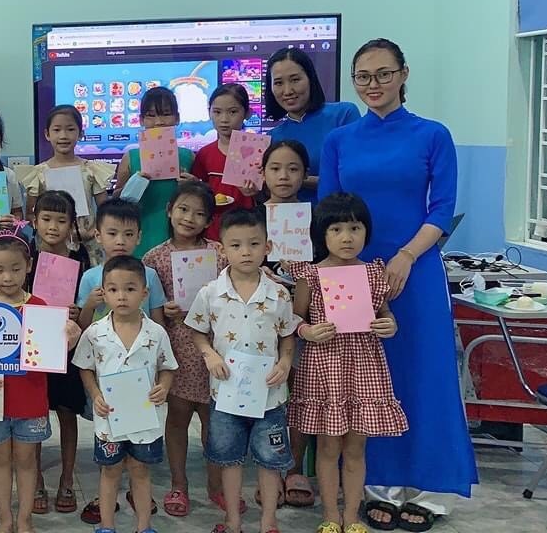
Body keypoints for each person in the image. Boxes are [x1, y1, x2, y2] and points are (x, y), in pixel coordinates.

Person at [319, 38, 473, 531]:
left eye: (383, 74)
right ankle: (377, 485)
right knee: (362, 377)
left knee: (425, 374)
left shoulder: (433, 135)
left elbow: (442, 209)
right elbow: (328, 211)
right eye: (363, 76)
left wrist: (406, 256)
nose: (374, 84)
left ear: (403, 74)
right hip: (351, 273)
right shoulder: (339, 140)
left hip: (418, 270)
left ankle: (431, 489)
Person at [289, 194, 408, 533]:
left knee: (356, 447)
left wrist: (390, 324)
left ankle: (352, 517)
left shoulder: (373, 273)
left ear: (366, 232)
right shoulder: (310, 275)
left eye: (355, 228)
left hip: (365, 367)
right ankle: (330, 516)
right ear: (321, 234)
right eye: (336, 229)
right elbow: (293, 319)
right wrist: (308, 331)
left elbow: (385, 313)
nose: (346, 237)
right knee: (328, 445)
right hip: (323, 367)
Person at [186, 208, 298, 533]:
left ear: (268, 247)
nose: (245, 252)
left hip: (270, 394)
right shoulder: (210, 292)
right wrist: (209, 354)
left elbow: (287, 335)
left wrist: (285, 362)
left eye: (254, 244)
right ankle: (232, 520)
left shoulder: (278, 293)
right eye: (236, 245)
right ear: (222, 249)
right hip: (226, 392)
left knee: (270, 460)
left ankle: (268, 522)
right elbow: (197, 331)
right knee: (229, 458)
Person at [0, 223, 82, 533]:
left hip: (30, 400)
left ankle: (24, 520)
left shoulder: (39, 307)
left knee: (27, 460)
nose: (7, 277)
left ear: (29, 266)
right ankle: (5, 519)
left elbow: (51, 354)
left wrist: (70, 338)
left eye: (15, 269)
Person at [141, 180, 231, 518]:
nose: (189, 218)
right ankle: (179, 484)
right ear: (169, 211)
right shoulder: (153, 258)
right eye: (183, 209)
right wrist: (164, 309)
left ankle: (216, 485)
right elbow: (147, 308)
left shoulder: (221, 254)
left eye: (199, 214)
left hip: (215, 348)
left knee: (214, 421)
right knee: (177, 418)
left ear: (209, 220)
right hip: (177, 346)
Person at [74, 255, 179, 533]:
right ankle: (107, 526)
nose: (121, 296)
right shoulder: (95, 333)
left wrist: (164, 386)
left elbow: (168, 367)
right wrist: (95, 393)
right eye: (113, 289)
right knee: (109, 472)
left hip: (144, 419)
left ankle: (144, 527)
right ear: (104, 292)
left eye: (130, 289)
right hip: (109, 419)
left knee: (140, 471)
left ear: (144, 293)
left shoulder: (156, 333)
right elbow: (85, 367)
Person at [24, 190, 92, 516]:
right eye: (46, 219)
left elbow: (87, 304)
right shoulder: (27, 258)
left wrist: (79, 310)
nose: (53, 226)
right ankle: (36, 479)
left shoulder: (81, 260)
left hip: (68, 344)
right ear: (34, 221)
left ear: (72, 224)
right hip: (35, 342)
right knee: (35, 413)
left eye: (61, 220)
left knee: (67, 411)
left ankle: (66, 479)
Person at [258, 138, 316, 509]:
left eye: (293, 169)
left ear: (305, 174)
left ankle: (294, 468)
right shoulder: (250, 217)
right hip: (257, 323)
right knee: (267, 396)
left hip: (302, 320)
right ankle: (268, 471)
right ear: (262, 173)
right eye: (275, 168)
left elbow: (324, 269)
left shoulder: (316, 220)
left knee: (300, 394)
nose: (284, 176)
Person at [264, 47, 360, 202]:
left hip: (339, 214)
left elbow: (353, 175)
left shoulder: (343, 115)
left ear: (310, 78)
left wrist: (299, 179)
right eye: (279, 83)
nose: (287, 91)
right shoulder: (272, 137)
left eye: (295, 80)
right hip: (290, 216)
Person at [112, 86, 197, 257]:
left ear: (177, 118)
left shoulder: (189, 157)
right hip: (141, 236)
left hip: (181, 238)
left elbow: (203, 201)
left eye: (166, 114)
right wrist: (134, 185)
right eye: (151, 115)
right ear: (141, 120)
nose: (159, 122)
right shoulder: (130, 158)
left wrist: (194, 186)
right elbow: (116, 201)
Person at [21, 106, 112, 259]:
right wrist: (49, 231)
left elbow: (105, 210)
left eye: (70, 129)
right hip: (50, 247)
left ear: (81, 134)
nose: (63, 136)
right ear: (47, 134)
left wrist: (91, 232)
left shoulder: (91, 170)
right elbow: (30, 214)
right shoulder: (38, 173)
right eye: (57, 130)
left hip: (87, 245)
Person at [76, 198, 167, 326]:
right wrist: (89, 305)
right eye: (112, 234)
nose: (120, 241)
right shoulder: (89, 277)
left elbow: (158, 322)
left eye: (128, 234)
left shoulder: (149, 275)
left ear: (138, 237)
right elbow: (82, 327)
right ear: (98, 236)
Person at [190, 83, 259, 241]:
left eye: (233, 112)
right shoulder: (204, 154)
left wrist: (257, 192)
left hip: (248, 226)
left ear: (247, 113)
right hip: (213, 230)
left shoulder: (258, 149)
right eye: (217, 112)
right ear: (209, 113)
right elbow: (200, 192)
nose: (224, 119)